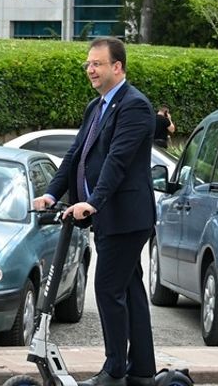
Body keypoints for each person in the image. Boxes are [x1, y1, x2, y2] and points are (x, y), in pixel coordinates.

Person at [33, 37, 157, 386]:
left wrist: (94, 201)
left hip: (126, 216)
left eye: (97, 64)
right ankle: (142, 371)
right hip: (111, 217)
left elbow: (118, 161)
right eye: (88, 64)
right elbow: (76, 154)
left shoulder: (134, 106)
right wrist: (51, 193)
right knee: (130, 289)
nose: (90, 69)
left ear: (117, 67)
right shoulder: (96, 106)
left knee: (107, 288)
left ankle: (115, 370)